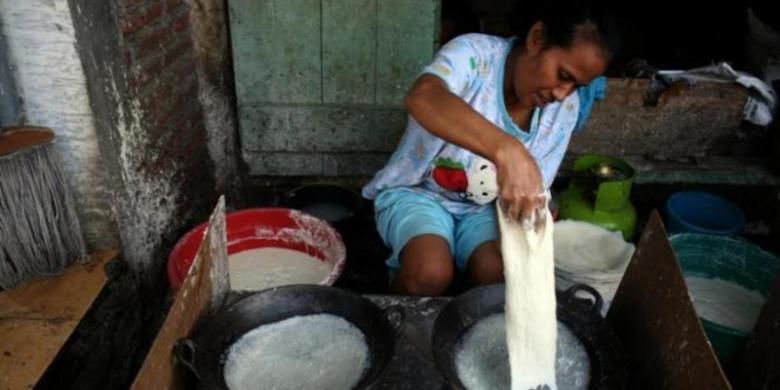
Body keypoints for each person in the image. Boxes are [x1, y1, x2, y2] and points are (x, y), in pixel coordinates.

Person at [362, 0, 620, 296]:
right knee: (430, 272)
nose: (563, 94)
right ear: (537, 38)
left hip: (486, 211)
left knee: (502, 277)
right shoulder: (475, 56)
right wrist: (508, 150)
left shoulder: (564, 110)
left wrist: (531, 226)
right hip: (418, 193)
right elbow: (424, 97)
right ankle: (391, 318)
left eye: (576, 86)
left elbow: (531, 194)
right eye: (563, 75)